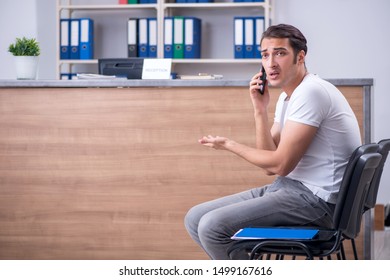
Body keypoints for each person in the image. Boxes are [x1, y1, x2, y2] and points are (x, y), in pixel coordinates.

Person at [184, 24, 361, 260]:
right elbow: (269, 166)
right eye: (265, 55)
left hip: (317, 202)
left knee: (212, 227)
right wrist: (260, 110)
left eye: (280, 53)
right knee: (195, 218)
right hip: (290, 189)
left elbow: (280, 165)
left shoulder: (311, 93)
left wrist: (229, 144)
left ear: (300, 56)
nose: (271, 63)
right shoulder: (289, 97)